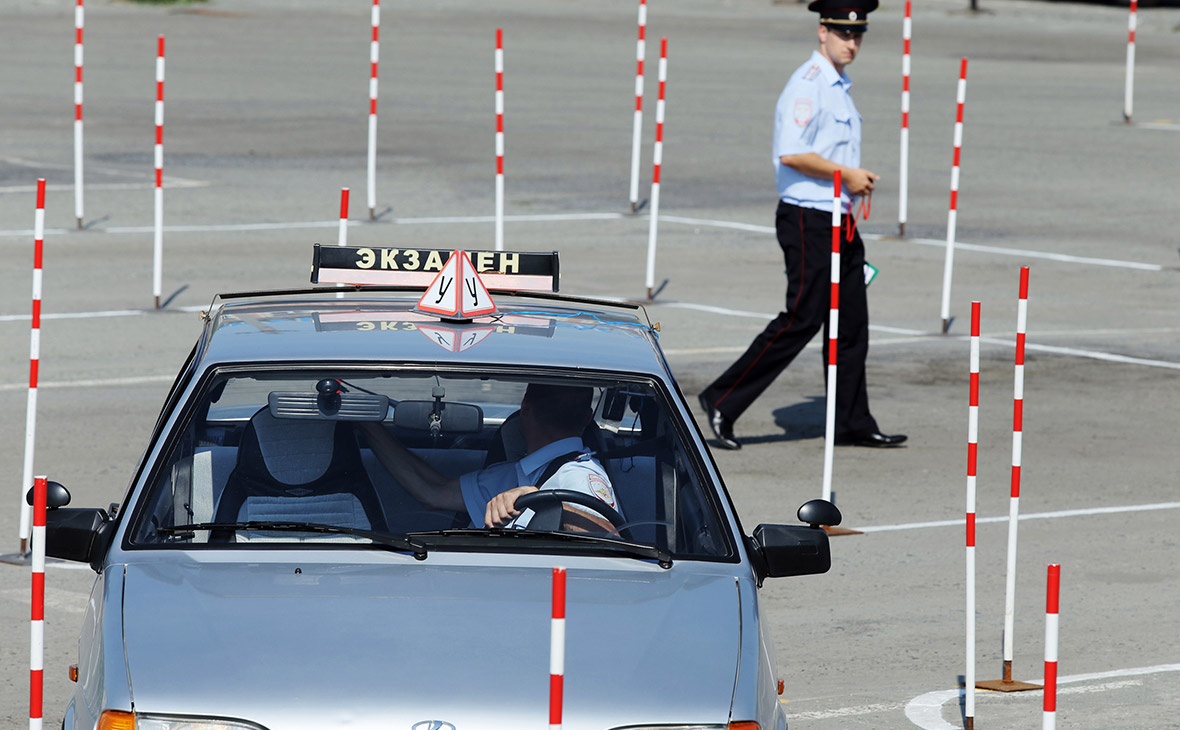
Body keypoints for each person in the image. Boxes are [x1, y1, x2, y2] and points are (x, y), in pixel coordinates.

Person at [697, 0, 905, 450]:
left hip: (840, 216)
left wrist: (851, 182)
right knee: (802, 317)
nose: (851, 42)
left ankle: (851, 420)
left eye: (857, 35)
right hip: (808, 217)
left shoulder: (838, 85)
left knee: (851, 323)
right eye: (842, 33)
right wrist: (846, 175)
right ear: (822, 33)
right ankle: (722, 399)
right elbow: (791, 153)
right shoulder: (808, 85)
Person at [357, 383, 621, 531]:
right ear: (587, 419)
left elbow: (609, 541)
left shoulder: (581, 475)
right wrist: (366, 422)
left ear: (525, 407)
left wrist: (549, 504)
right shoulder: (515, 474)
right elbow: (432, 492)